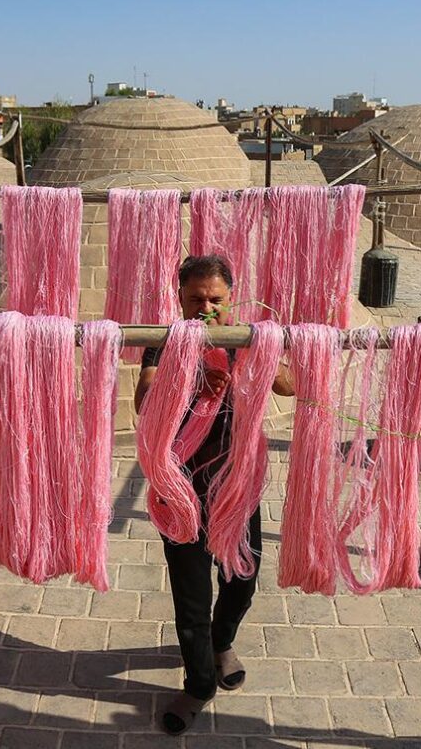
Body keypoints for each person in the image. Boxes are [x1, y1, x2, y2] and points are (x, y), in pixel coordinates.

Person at [134, 254, 294, 735]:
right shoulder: (166, 344)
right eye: (196, 299)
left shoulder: (247, 338)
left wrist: (252, 356)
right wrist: (188, 379)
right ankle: (199, 684)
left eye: (215, 299)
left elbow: (289, 384)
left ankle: (222, 642)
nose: (206, 307)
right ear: (179, 300)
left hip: (235, 485)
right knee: (191, 595)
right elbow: (143, 400)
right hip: (179, 490)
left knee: (242, 578)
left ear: (231, 297)